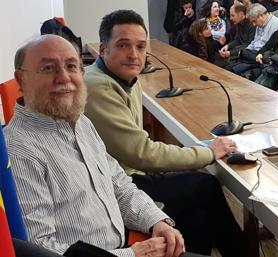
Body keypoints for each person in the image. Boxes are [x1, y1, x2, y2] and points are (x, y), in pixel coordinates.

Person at [5, 34, 200, 256]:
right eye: (48, 69)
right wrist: (133, 255)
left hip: (124, 246)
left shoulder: (81, 123)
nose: (64, 78)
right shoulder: (19, 150)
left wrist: (157, 220)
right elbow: (41, 249)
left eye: (72, 66)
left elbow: (119, 184)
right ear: (21, 80)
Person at [83, 10, 244, 256]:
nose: (134, 55)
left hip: (128, 174)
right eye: (123, 45)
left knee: (197, 217)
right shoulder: (98, 86)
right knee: (206, 185)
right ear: (103, 49)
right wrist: (208, 152)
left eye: (139, 46)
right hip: (116, 186)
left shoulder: (122, 78)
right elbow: (142, 154)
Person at [229, 3, 278, 76]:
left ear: (261, 15)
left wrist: (246, 53)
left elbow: (266, 45)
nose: (254, 24)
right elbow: (254, 41)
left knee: (241, 57)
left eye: (254, 21)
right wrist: (247, 50)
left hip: (264, 54)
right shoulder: (260, 24)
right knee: (241, 56)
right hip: (254, 54)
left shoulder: (276, 23)